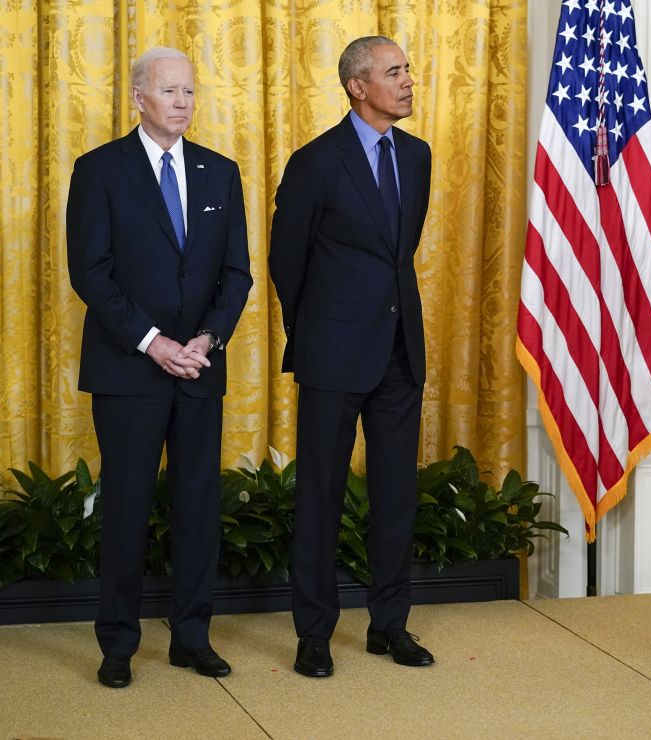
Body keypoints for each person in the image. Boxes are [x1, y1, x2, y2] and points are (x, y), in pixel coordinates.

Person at [66, 47, 252, 688]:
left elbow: (237, 273)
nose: (183, 102)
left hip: (199, 368)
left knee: (199, 506)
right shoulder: (99, 171)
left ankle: (192, 638)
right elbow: (89, 272)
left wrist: (205, 339)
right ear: (139, 97)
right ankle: (117, 643)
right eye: (170, 91)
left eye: (191, 92)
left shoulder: (221, 173)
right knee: (126, 506)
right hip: (129, 370)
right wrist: (153, 342)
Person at [269, 35, 434, 678]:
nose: (409, 80)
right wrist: (318, 331)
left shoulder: (417, 156)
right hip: (333, 353)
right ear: (358, 87)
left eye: (409, 70)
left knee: (395, 497)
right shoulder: (316, 161)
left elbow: (399, 254)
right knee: (320, 495)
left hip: (399, 353)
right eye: (395, 72)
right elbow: (288, 261)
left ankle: (388, 626)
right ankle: (314, 633)